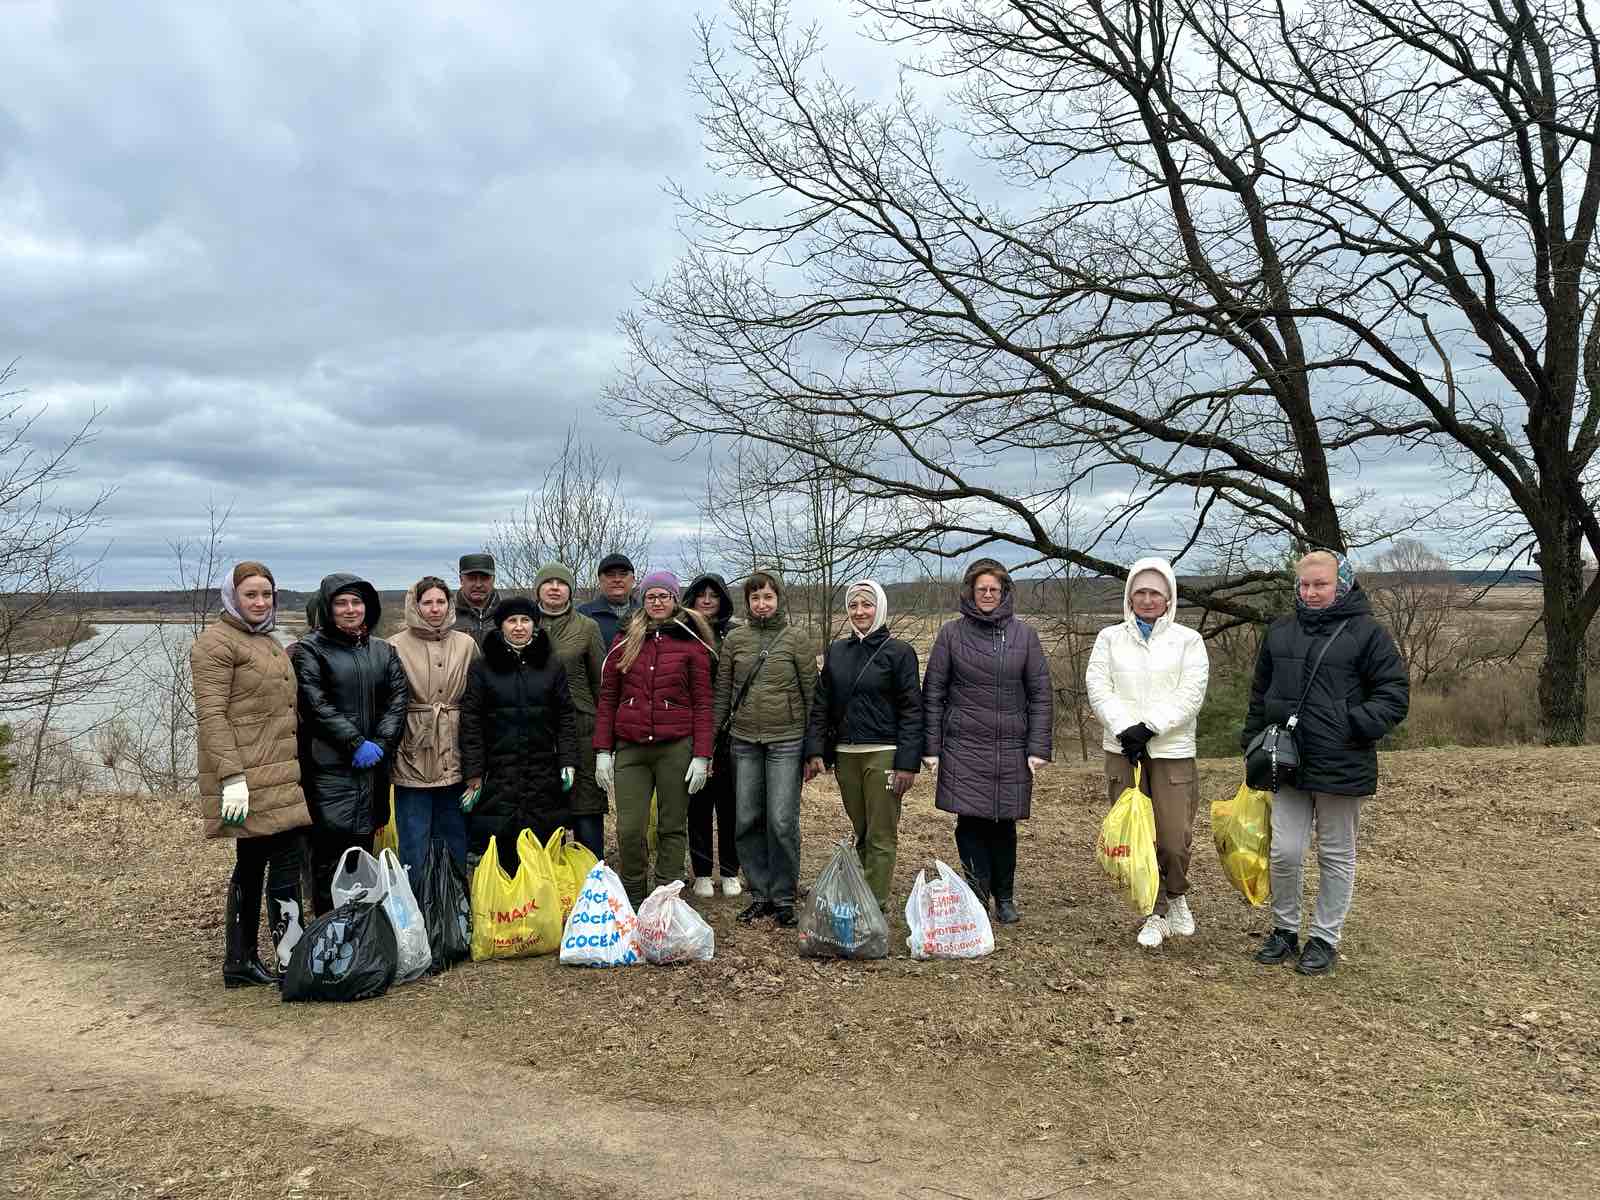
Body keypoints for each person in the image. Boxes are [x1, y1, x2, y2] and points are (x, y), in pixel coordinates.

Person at [1242, 550, 1409, 976]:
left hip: (1341, 761)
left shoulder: (1368, 634)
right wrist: (1253, 743)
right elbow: (1260, 694)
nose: (1311, 592)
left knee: (1336, 854)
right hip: (1288, 760)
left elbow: (1393, 693)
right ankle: (1283, 930)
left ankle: (1324, 938)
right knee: (1285, 852)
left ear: (1344, 584)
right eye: (1304, 584)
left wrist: (1354, 726)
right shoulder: (1280, 632)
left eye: (1321, 584)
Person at [191, 561, 311, 987]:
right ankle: (289, 959)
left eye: (266, 594)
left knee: (256, 863)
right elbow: (212, 716)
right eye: (251, 595)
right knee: (281, 863)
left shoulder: (265, 640)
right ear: (232, 598)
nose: (260, 602)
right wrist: (231, 778)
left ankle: (240, 961)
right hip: (250, 776)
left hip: (278, 772)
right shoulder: (216, 644)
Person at [1085, 558, 1210, 948]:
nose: (1147, 599)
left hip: (1171, 750)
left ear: (1169, 596)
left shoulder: (1188, 641)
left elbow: (1191, 693)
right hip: (1123, 751)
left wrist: (1149, 727)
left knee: (1173, 838)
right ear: (1130, 596)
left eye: (1155, 592)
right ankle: (1154, 913)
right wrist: (1125, 729)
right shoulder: (1110, 638)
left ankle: (1177, 896)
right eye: (1140, 591)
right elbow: (1098, 685)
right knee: (1138, 836)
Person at [921, 558, 1052, 925]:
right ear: (971, 592)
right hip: (963, 745)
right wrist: (931, 747)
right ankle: (976, 895)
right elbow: (933, 692)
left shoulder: (1025, 636)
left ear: (1005, 592)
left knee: (1004, 825)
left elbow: (1040, 693)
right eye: (982, 589)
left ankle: (1005, 896)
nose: (988, 594)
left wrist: (1038, 747)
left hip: (1011, 746)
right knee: (971, 824)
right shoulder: (951, 634)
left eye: (995, 589)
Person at [593, 570, 714, 908]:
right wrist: (603, 750)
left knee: (672, 826)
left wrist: (702, 755)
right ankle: (632, 897)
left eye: (664, 596)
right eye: (651, 596)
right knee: (630, 829)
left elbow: (704, 704)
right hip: (631, 747)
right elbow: (608, 699)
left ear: (675, 600)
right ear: (642, 600)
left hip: (675, 747)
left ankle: (666, 899)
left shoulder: (692, 644)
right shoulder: (624, 640)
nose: (657, 602)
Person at [803, 579, 922, 911]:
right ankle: (862, 895)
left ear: (880, 608)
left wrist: (907, 763)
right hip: (846, 754)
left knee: (881, 833)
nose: (860, 612)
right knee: (862, 829)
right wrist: (815, 751)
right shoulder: (837, 651)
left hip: (884, 753)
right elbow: (822, 705)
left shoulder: (900, 653)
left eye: (867, 604)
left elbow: (913, 710)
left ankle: (872, 905)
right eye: (854, 605)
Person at [294, 572, 409, 916]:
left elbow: (398, 699)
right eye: (341, 603)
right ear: (328, 608)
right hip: (330, 770)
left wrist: (381, 744)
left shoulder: (383, 651)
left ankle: (361, 930)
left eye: (356, 602)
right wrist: (354, 743)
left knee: (363, 853)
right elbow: (314, 703)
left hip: (373, 769)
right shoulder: (310, 651)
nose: (349, 609)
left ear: (367, 607)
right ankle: (327, 928)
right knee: (329, 857)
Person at [714, 571, 818, 927]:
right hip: (743, 741)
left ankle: (784, 896)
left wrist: (813, 748)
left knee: (781, 820)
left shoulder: (796, 639)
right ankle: (760, 894)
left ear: (778, 600)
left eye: (768, 597)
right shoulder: (735, 640)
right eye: (755, 598)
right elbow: (723, 693)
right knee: (746, 818)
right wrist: (712, 740)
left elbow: (811, 695)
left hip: (786, 741)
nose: (762, 604)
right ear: (747, 603)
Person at [459, 596, 580, 875]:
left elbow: (565, 716)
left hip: (543, 770)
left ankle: (541, 903)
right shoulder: (482, 667)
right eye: (512, 621)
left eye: (525, 620)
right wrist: (474, 773)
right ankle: (505, 905)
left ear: (534, 626)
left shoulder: (551, 666)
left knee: (542, 837)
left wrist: (567, 761)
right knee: (501, 839)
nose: (518, 627)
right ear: (501, 626)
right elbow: (471, 720)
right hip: (498, 770)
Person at [386, 575, 480, 881]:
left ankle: (453, 908)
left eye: (441, 601)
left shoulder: (466, 645)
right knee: (413, 838)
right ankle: (414, 909)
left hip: (455, 748)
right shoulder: (395, 645)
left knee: (454, 835)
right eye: (428, 602)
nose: (435, 609)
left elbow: (478, 698)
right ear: (415, 605)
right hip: (414, 749)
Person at [531, 561, 608, 858]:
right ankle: (550, 882)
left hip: (581, 727)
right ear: (538, 589)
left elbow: (600, 683)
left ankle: (592, 881)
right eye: (547, 582)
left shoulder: (587, 627)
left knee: (585, 809)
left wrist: (604, 740)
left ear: (569, 590)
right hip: (539, 729)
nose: (554, 587)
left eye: (561, 583)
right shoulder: (525, 624)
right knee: (546, 810)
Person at [684, 572, 742, 897]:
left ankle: (731, 870)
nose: (707, 600)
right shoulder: (682, 633)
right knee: (698, 804)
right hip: (692, 730)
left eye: (714, 595)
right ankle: (702, 871)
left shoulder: (735, 634)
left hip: (731, 732)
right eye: (701, 594)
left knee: (730, 804)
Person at [578, 552, 639, 651]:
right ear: (600, 580)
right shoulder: (583, 615)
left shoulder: (645, 614)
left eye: (623, 574)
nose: (617, 579)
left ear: (633, 580)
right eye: (610, 575)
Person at [453, 553, 501, 646]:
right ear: (461, 580)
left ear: (493, 579)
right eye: (472, 578)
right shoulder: (448, 616)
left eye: (484, 578)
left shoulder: (507, 614)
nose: (478, 585)